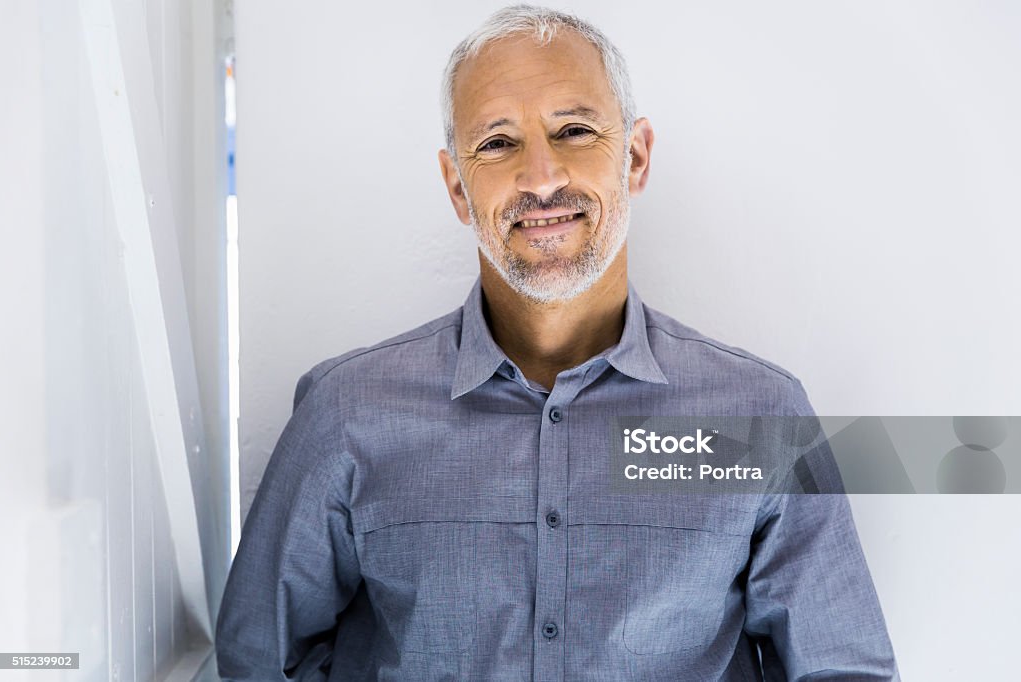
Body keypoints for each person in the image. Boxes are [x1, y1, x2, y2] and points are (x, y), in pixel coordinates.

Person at [216, 5, 899, 680]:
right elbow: (259, 661)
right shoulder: (348, 414)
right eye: (498, 143)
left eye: (573, 130)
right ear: (458, 186)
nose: (541, 178)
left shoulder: (757, 418)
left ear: (634, 157)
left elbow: (842, 670)